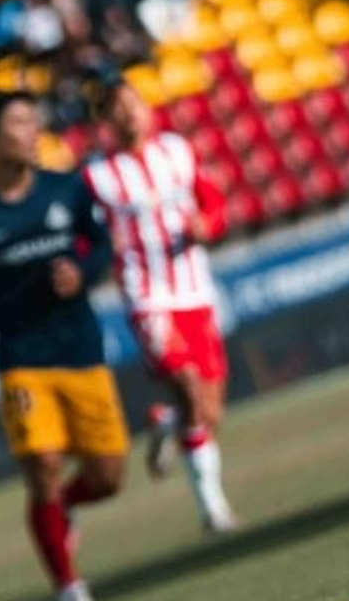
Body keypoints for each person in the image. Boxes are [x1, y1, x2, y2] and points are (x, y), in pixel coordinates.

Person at [0, 91, 127, 601]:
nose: (32, 131)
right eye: (20, 123)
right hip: (22, 361)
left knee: (108, 478)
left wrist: (83, 274)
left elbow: (104, 246)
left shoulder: (67, 187)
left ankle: (64, 508)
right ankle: (68, 586)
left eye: (33, 121)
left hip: (82, 350)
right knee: (42, 464)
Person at [82, 80, 236, 534]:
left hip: (196, 292)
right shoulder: (97, 177)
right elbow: (82, 236)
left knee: (209, 413)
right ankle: (213, 510)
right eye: (119, 109)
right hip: (148, 297)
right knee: (187, 384)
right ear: (105, 122)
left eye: (136, 104)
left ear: (148, 110)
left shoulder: (177, 151)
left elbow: (213, 203)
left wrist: (207, 224)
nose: (130, 114)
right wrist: (93, 258)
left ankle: (167, 422)